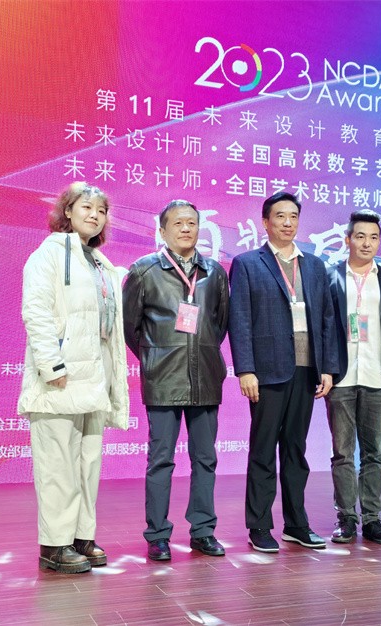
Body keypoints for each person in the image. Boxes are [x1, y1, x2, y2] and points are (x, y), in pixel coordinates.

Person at [18, 182, 130, 573]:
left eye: (101, 210)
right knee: (57, 465)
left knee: (87, 464)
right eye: (86, 207)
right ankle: (54, 544)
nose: (95, 215)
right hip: (61, 378)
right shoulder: (48, 254)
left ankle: (81, 536)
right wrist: (52, 366)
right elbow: (36, 312)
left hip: (94, 378)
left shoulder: (100, 263)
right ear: (67, 211)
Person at [229, 191, 339, 553]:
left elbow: (326, 319)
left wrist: (327, 368)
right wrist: (245, 369)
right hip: (267, 372)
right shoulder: (248, 263)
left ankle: (296, 524)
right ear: (265, 222)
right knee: (263, 451)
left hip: (306, 371)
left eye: (293, 216)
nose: (287, 222)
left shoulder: (315, 266)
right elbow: (239, 319)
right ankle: (260, 526)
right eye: (280, 216)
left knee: (296, 450)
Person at [123, 200, 230, 562]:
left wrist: (201, 353)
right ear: (163, 231)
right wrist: (157, 357)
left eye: (192, 223)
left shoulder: (215, 273)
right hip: (163, 379)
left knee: (205, 459)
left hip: (206, 378)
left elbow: (219, 324)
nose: (186, 229)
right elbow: (131, 328)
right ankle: (157, 535)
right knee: (161, 460)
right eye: (178, 223)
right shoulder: (144, 270)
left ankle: (203, 531)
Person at [325, 210, 381, 545]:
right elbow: (323, 327)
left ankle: (372, 519)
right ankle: (346, 518)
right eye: (360, 236)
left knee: (374, 453)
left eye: (373, 237)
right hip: (340, 379)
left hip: (377, 375)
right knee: (342, 453)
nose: (367, 243)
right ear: (347, 239)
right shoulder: (329, 276)